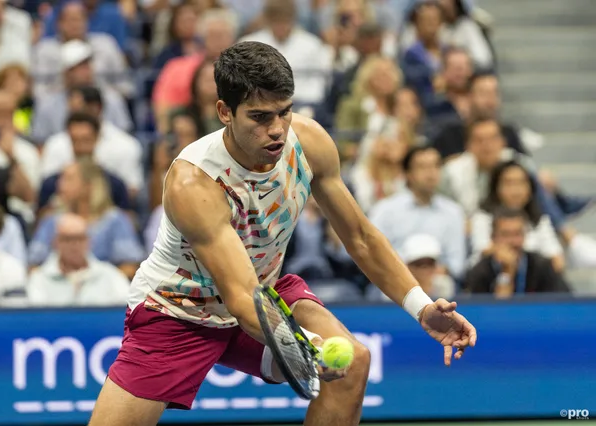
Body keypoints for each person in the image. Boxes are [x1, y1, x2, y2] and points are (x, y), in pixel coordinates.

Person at [88, 41, 476, 426]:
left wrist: (421, 306)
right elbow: (241, 298)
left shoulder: (307, 143)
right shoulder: (195, 182)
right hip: (177, 311)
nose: (276, 130)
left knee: (354, 362)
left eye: (284, 112)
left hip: (263, 293)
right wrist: (311, 347)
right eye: (259, 117)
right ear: (225, 112)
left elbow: (359, 236)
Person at [369, 146, 466, 279]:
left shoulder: (453, 212)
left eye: (435, 166)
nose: (430, 173)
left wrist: (433, 273)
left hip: (438, 283)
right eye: (422, 167)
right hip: (394, 280)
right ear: (408, 174)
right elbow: (373, 255)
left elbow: (456, 264)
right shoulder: (385, 210)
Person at [27, 213, 130, 307]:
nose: (74, 245)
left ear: (89, 241)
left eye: (80, 239)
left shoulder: (111, 275)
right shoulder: (39, 279)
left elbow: (127, 313)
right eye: (67, 239)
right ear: (56, 243)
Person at [464, 208, 569, 297]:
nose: (512, 242)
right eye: (505, 235)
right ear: (493, 238)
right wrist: (507, 272)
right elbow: (496, 312)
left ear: (525, 236)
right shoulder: (480, 271)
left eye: (517, 234)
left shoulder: (542, 266)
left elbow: (561, 305)